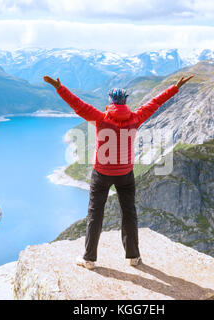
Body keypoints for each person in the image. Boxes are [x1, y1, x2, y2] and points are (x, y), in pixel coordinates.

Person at [44, 74, 193, 269]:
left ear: (110, 101)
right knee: (129, 213)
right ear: (125, 101)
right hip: (125, 174)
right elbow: (155, 103)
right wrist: (175, 87)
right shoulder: (136, 118)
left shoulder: (101, 118)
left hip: (101, 173)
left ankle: (89, 259)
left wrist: (59, 87)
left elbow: (78, 105)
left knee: (95, 214)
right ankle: (133, 257)